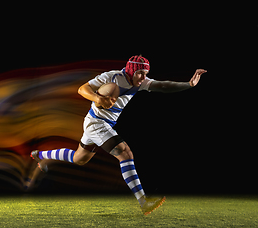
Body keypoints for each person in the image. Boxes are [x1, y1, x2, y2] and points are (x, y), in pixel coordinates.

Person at [31, 55, 207, 215]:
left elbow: (162, 86)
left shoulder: (140, 82)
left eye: (146, 73)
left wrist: (188, 84)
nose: (144, 77)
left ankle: (39, 155)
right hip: (98, 123)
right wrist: (97, 98)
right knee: (125, 153)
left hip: (98, 123)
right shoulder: (112, 77)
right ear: (131, 70)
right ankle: (143, 202)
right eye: (140, 73)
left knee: (79, 158)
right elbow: (82, 89)